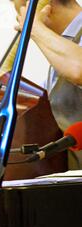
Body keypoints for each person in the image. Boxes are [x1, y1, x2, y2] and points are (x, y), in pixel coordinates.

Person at [13, 0, 82, 168]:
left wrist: (35, 28)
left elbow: (79, 69)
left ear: (46, 5)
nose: (19, 21)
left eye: (22, 15)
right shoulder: (62, 52)